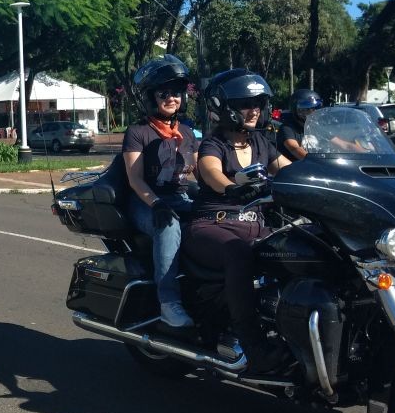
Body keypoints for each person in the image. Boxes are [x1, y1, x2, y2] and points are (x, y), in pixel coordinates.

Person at [182, 69, 293, 373]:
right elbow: (211, 172)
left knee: (301, 247)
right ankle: (252, 342)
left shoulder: (262, 143)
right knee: (238, 252)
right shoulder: (213, 145)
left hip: (254, 224)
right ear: (225, 107)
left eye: (258, 101)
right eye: (246, 102)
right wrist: (232, 186)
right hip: (212, 225)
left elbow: (289, 169)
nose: (254, 109)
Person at [123, 55, 199, 328]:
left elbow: (198, 172)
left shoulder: (188, 133)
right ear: (150, 97)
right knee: (168, 227)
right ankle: (168, 302)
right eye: (163, 93)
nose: (171, 98)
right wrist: (156, 205)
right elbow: (135, 179)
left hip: (180, 197)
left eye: (176, 92)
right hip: (146, 202)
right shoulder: (138, 132)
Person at [277, 89, 322, 161]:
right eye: (306, 109)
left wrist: (346, 147)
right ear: (295, 110)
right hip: (295, 169)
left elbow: (336, 141)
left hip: (318, 168)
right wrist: (317, 162)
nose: (311, 112)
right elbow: (294, 148)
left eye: (314, 108)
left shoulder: (316, 127)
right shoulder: (287, 128)